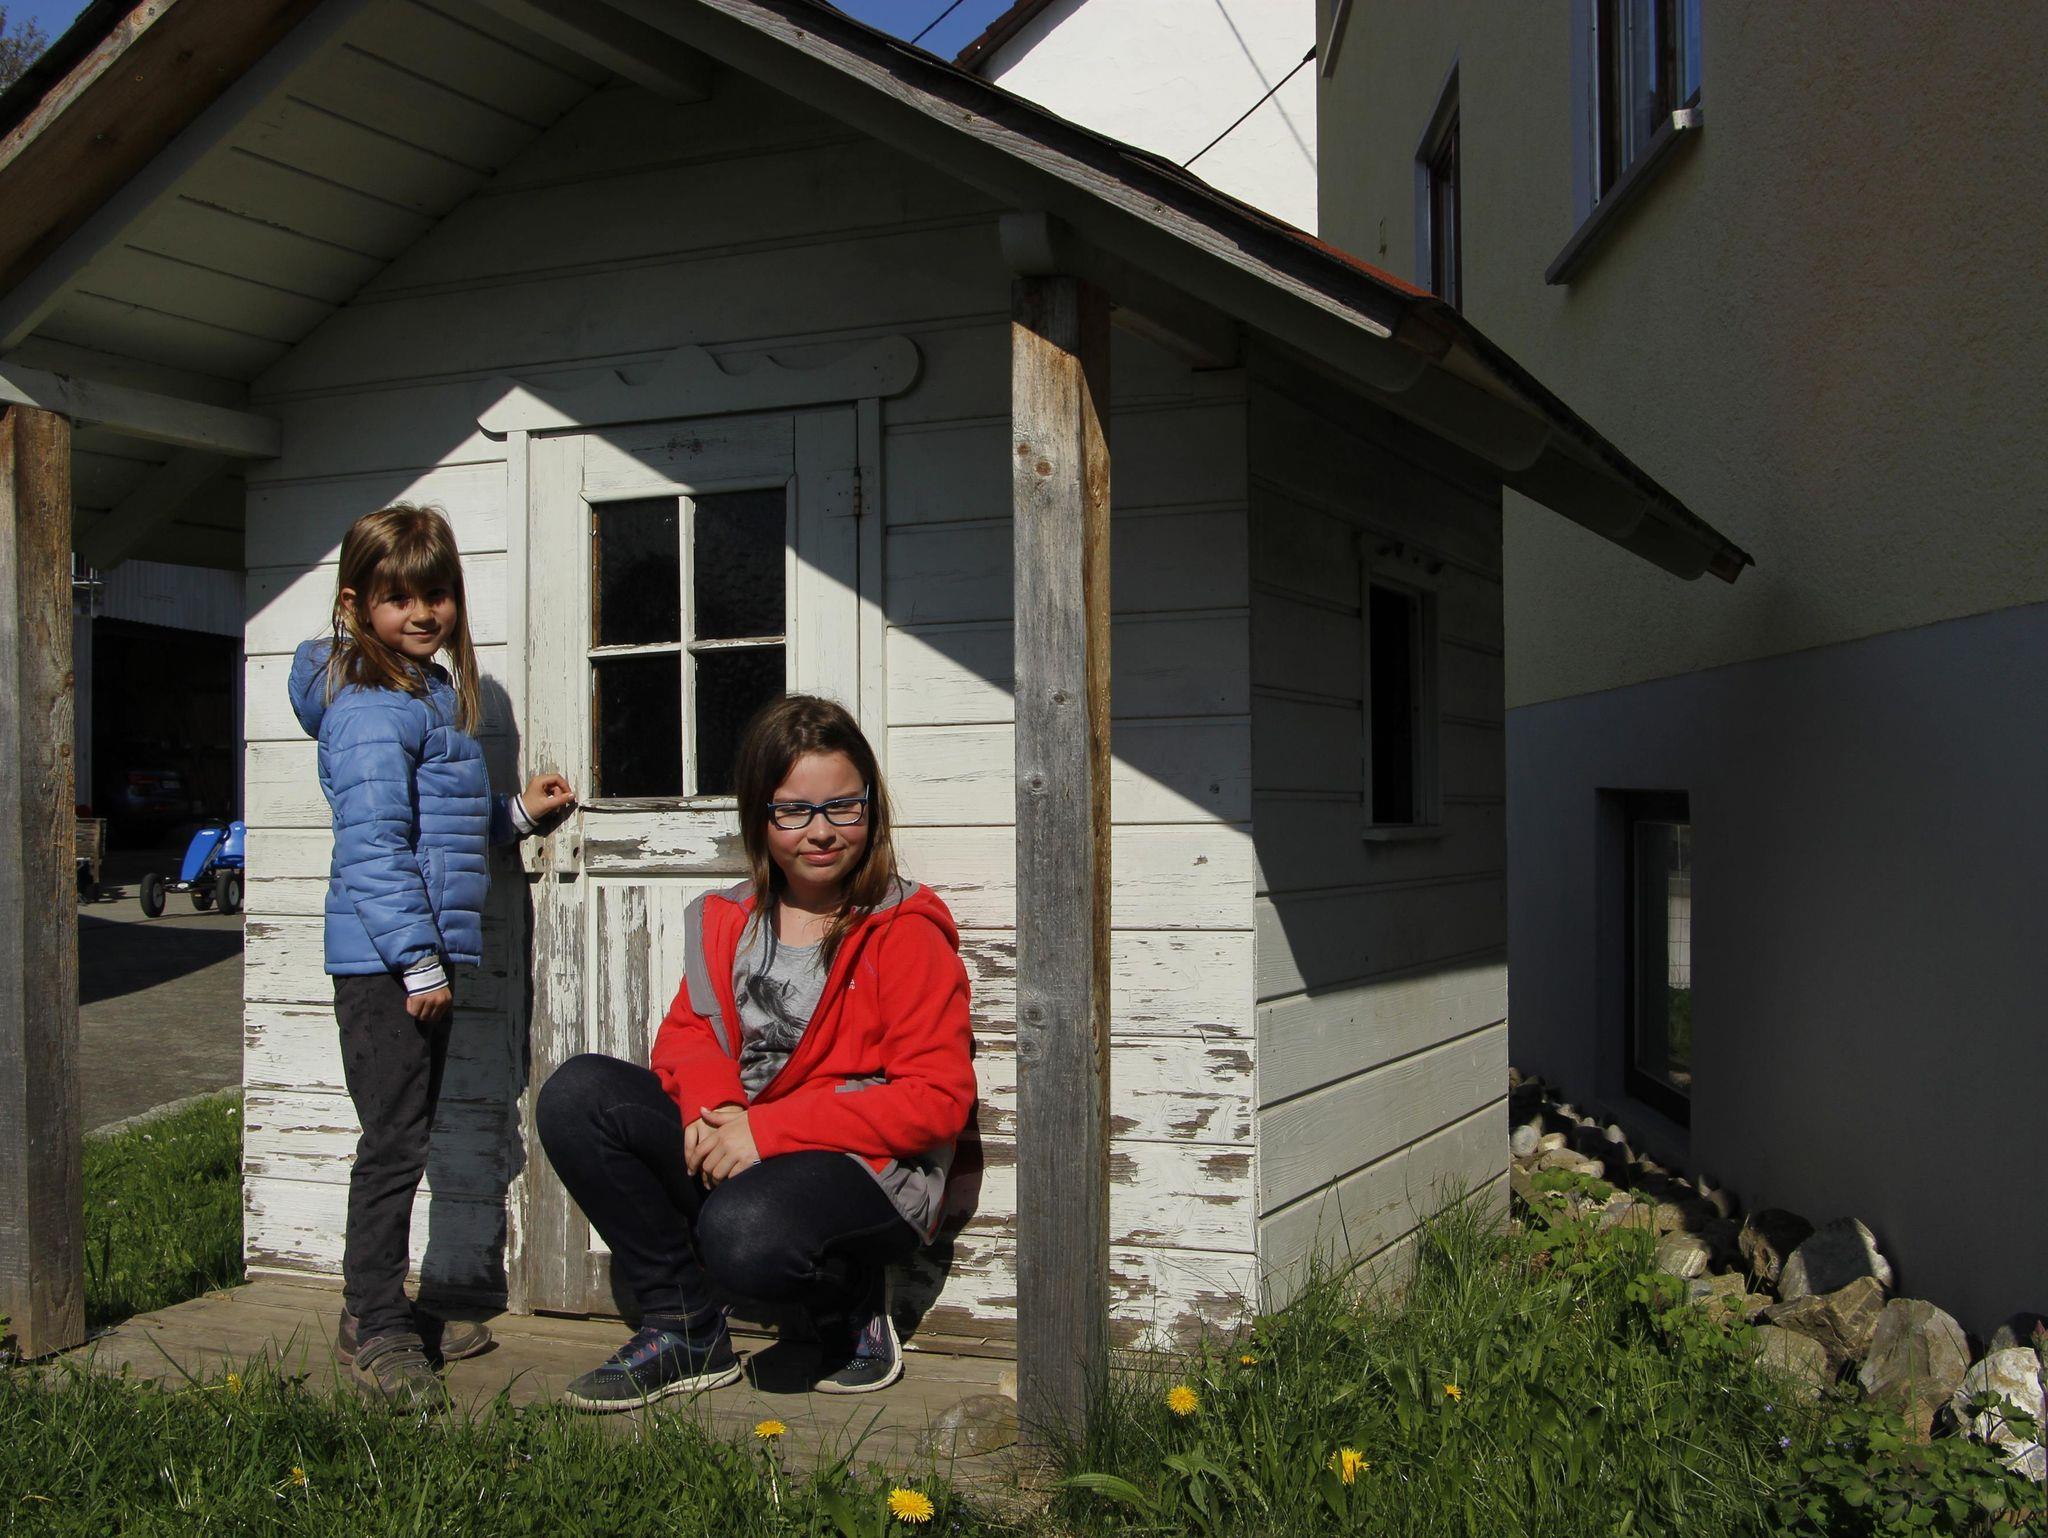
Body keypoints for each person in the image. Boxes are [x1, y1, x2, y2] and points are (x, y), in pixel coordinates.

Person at [536, 694, 974, 1411]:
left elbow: (936, 1102)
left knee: (742, 1230)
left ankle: (848, 1300)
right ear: (759, 816)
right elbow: (688, 1034)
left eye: (843, 806)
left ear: (872, 808)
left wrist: (765, 1131)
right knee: (579, 1096)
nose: (821, 831)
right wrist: (717, 1109)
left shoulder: (903, 930)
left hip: (865, 1170)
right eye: (793, 811)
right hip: (751, 1144)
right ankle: (684, 1328)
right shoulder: (730, 919)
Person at [288, 503, 575, 1405]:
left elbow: (439, 830)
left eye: (436, 594)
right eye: (398, 598)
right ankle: (374, 1323)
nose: (422, 613)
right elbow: (373, 849)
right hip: (385, 962)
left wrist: (517, 815)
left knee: (404, 1136)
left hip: (408, 957)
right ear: (355, 605)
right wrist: (417, 961)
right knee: (393, 1145)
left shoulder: (426, 695)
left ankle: (382, 1307)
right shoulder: (373, 710)